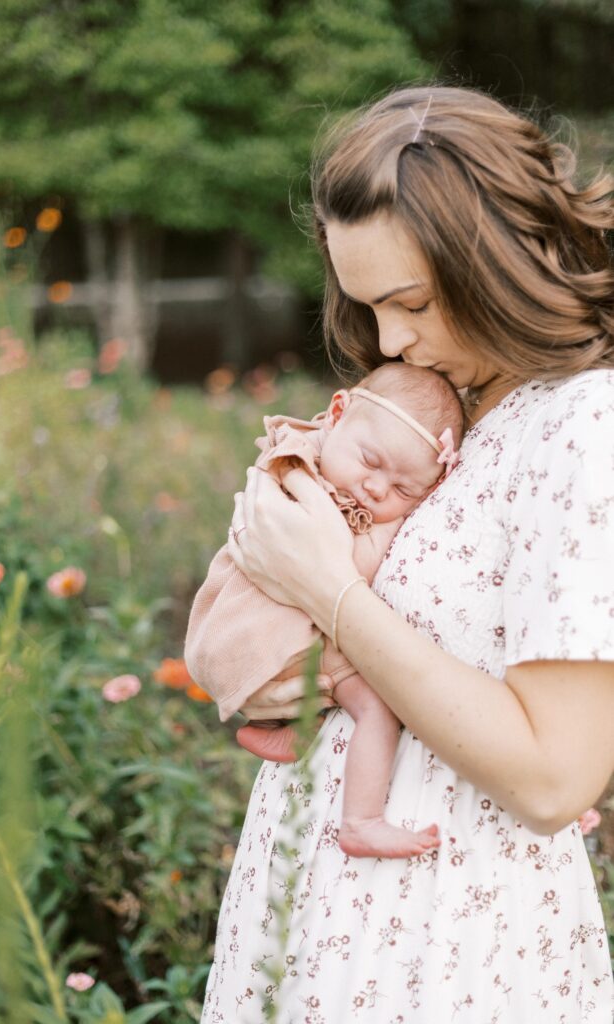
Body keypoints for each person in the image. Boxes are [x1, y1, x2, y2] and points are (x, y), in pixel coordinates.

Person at [200, 85, 614, 1023]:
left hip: (446, 947)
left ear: (496, 262)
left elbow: (555, 778)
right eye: (366, 307)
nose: (389, 341)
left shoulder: (585, 428)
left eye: (412, 302)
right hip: (318, 924)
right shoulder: (453, 413)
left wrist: (326, 588)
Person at [185, 362, 463, 858]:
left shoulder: (329, 460)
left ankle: (288, 726)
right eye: (370, 461)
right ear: (336, 412)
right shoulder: (297, 469)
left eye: (404, 491)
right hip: (258, 630)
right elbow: (338, 568)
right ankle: (361, 821)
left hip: (240, 636)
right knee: (378, 707)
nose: (377, 489)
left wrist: (439, 478)